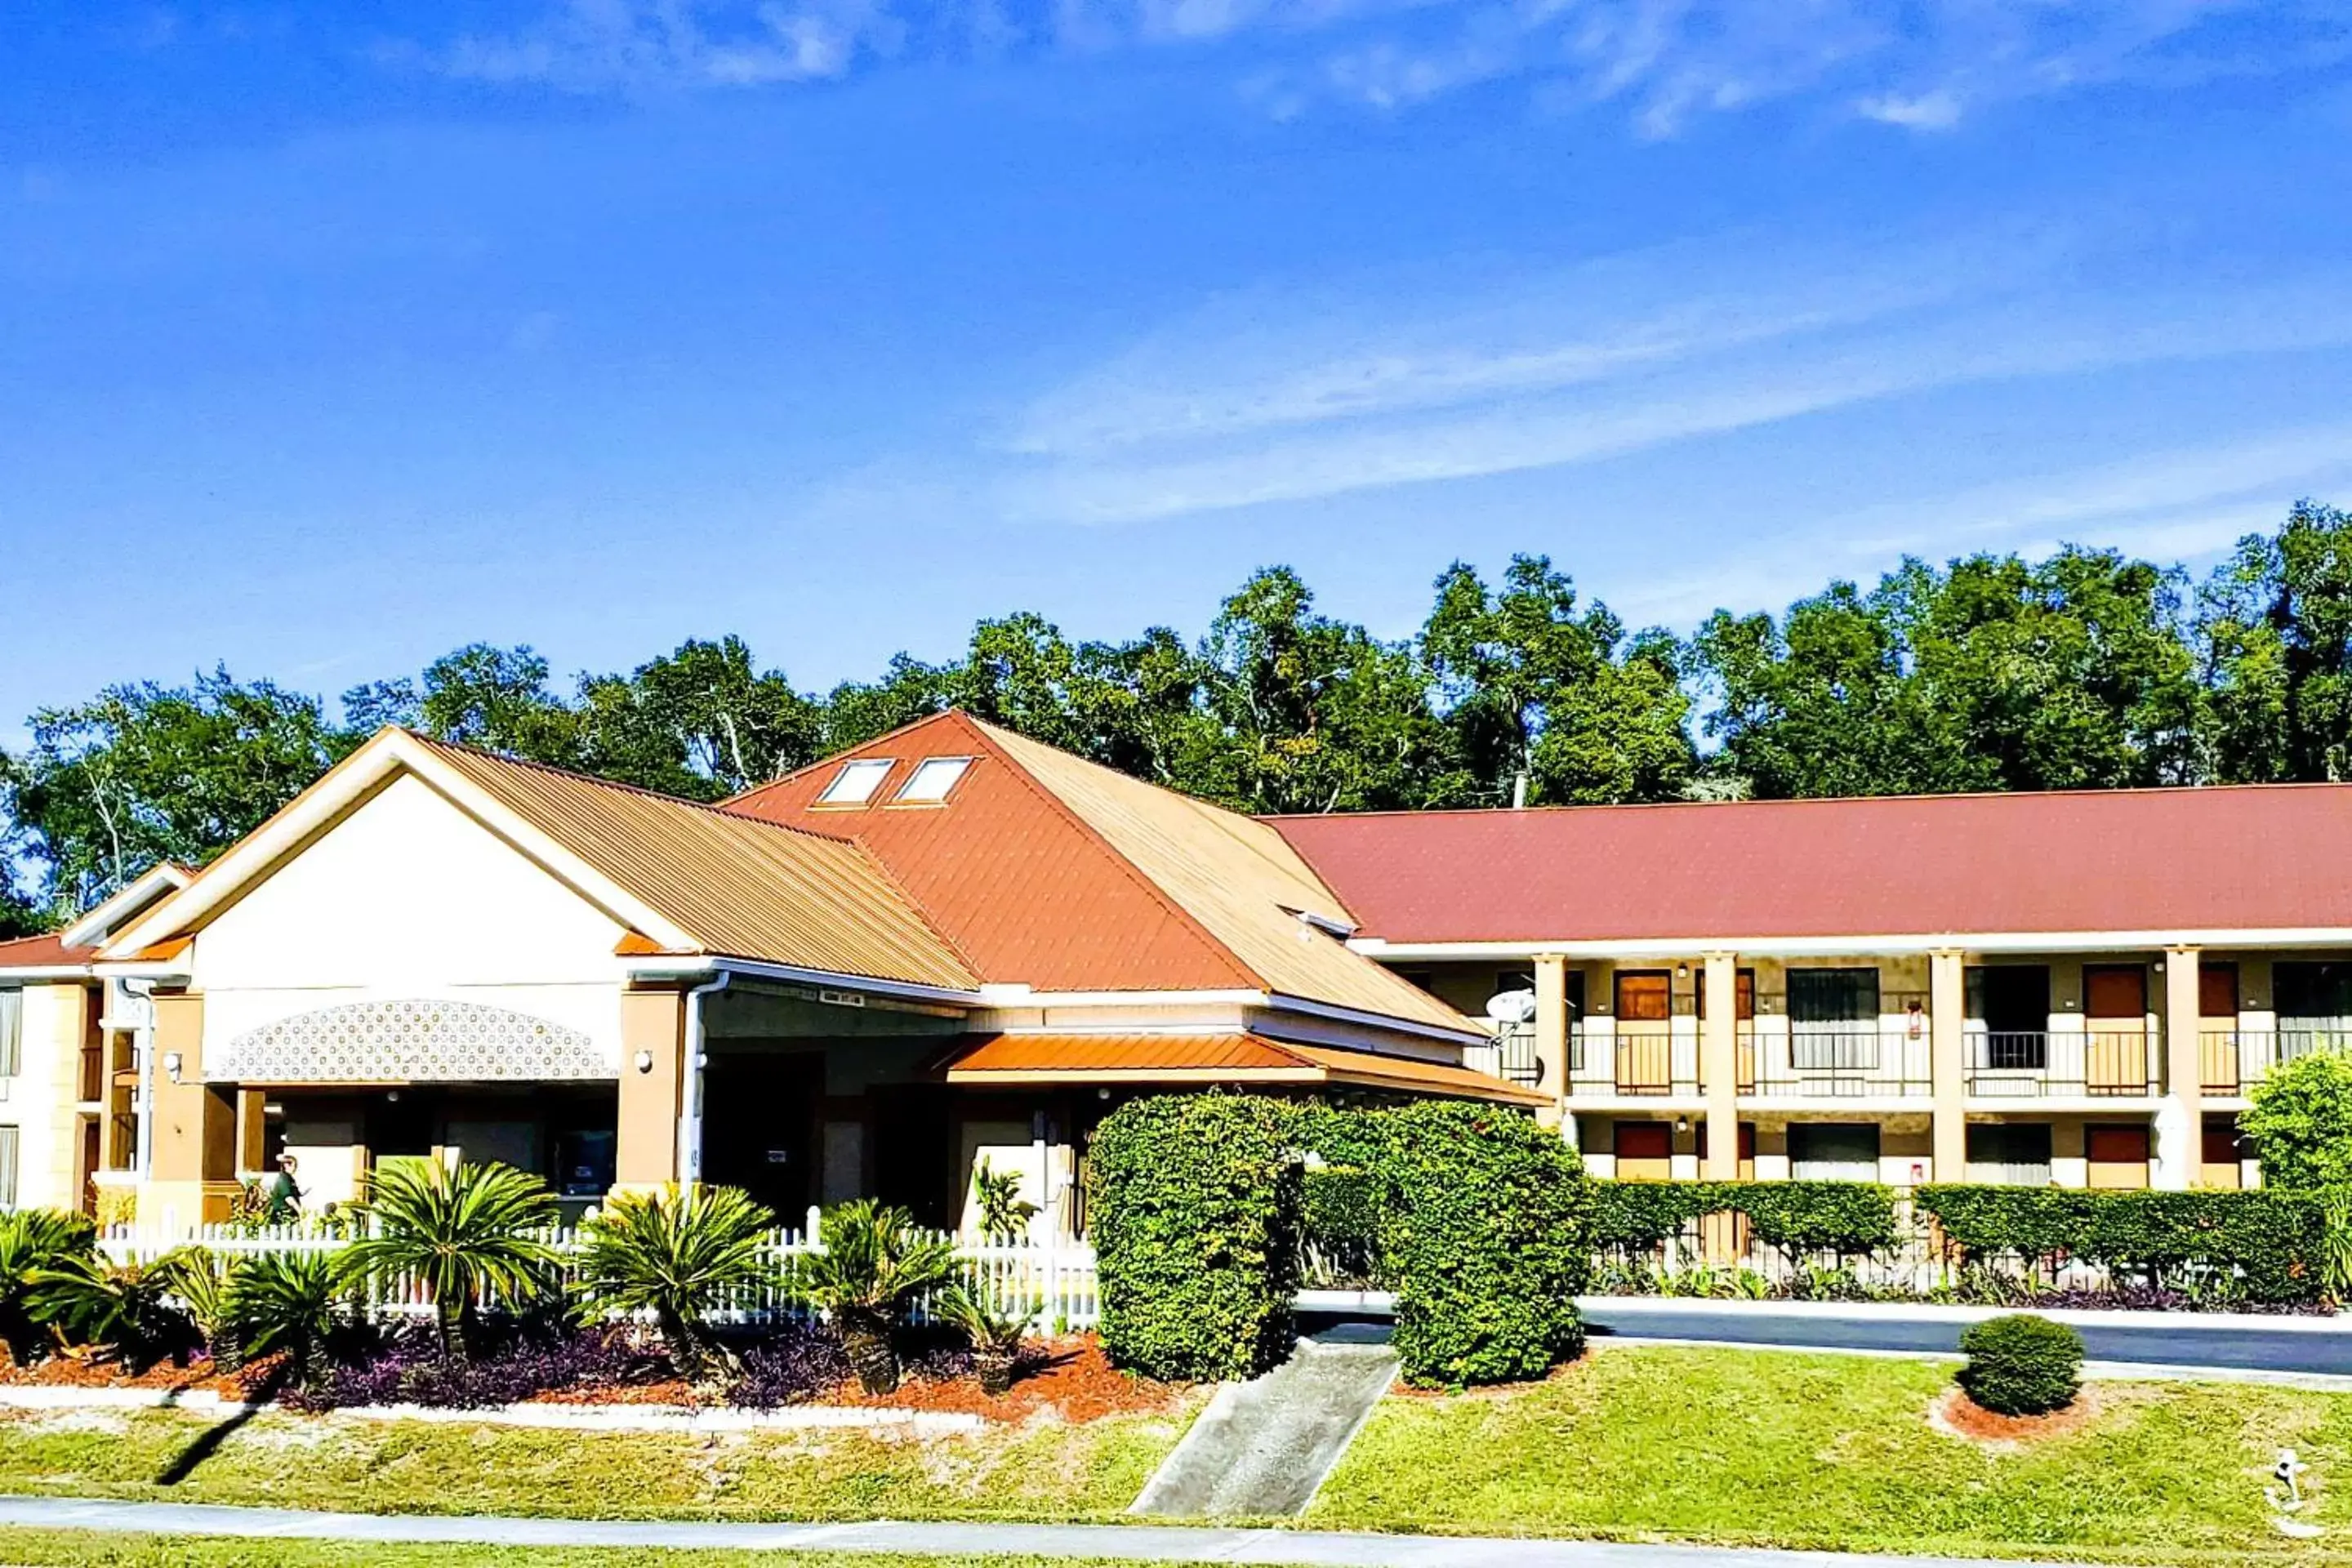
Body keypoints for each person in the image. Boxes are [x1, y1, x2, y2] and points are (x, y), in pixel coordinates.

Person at [265, 1152, 302, 1223]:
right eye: (294, 1166)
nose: (295, 1168)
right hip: (283, 1215)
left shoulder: (289, 1178)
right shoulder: (283, 1179)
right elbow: (288, 1198)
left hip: (289, 1214)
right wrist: (300, 1211)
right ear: (286, 1165)